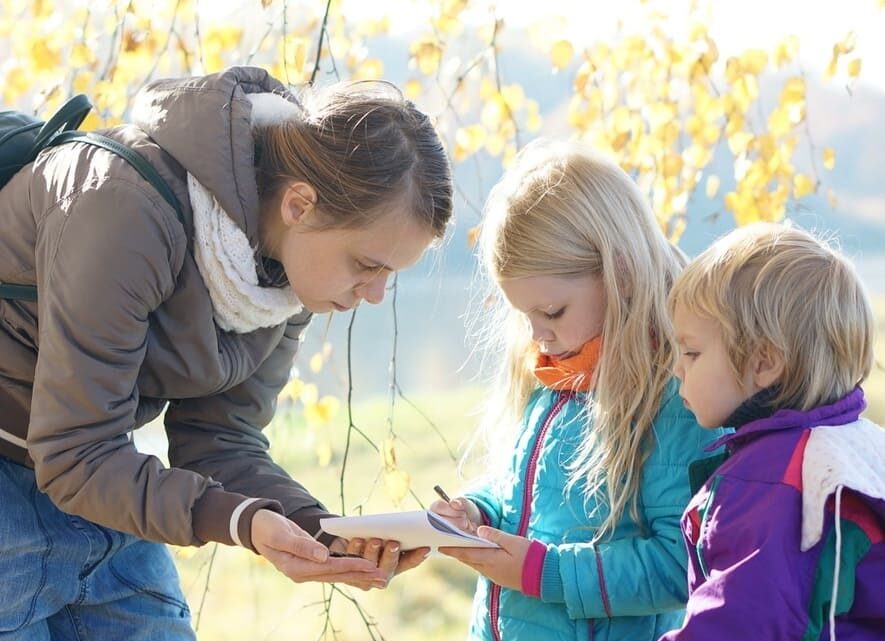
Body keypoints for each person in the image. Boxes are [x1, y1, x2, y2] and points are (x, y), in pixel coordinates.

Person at [0, 66, 452, 639]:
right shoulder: (121, 205)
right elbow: (75, 453)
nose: (374, 294)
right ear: (299, 204)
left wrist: (320, 530)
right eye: (368, 264)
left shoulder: (286, 278)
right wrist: (240, 520)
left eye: (391, 274)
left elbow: (220, 438)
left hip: (106, 488)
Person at [430, 139, 725, 641]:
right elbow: (523, 496)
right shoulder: (559, 381)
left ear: (621, 274)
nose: (537, 335)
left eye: (552, 312)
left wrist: (542, 572)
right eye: (525, 315)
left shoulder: (677, 398)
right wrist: (476, 510)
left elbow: (681, 565)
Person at [661, 222, 885, 641]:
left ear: (763, 363)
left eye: (692, 352)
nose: (677, 368)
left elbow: (740, 625)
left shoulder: (771, 480)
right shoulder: (859, 446)